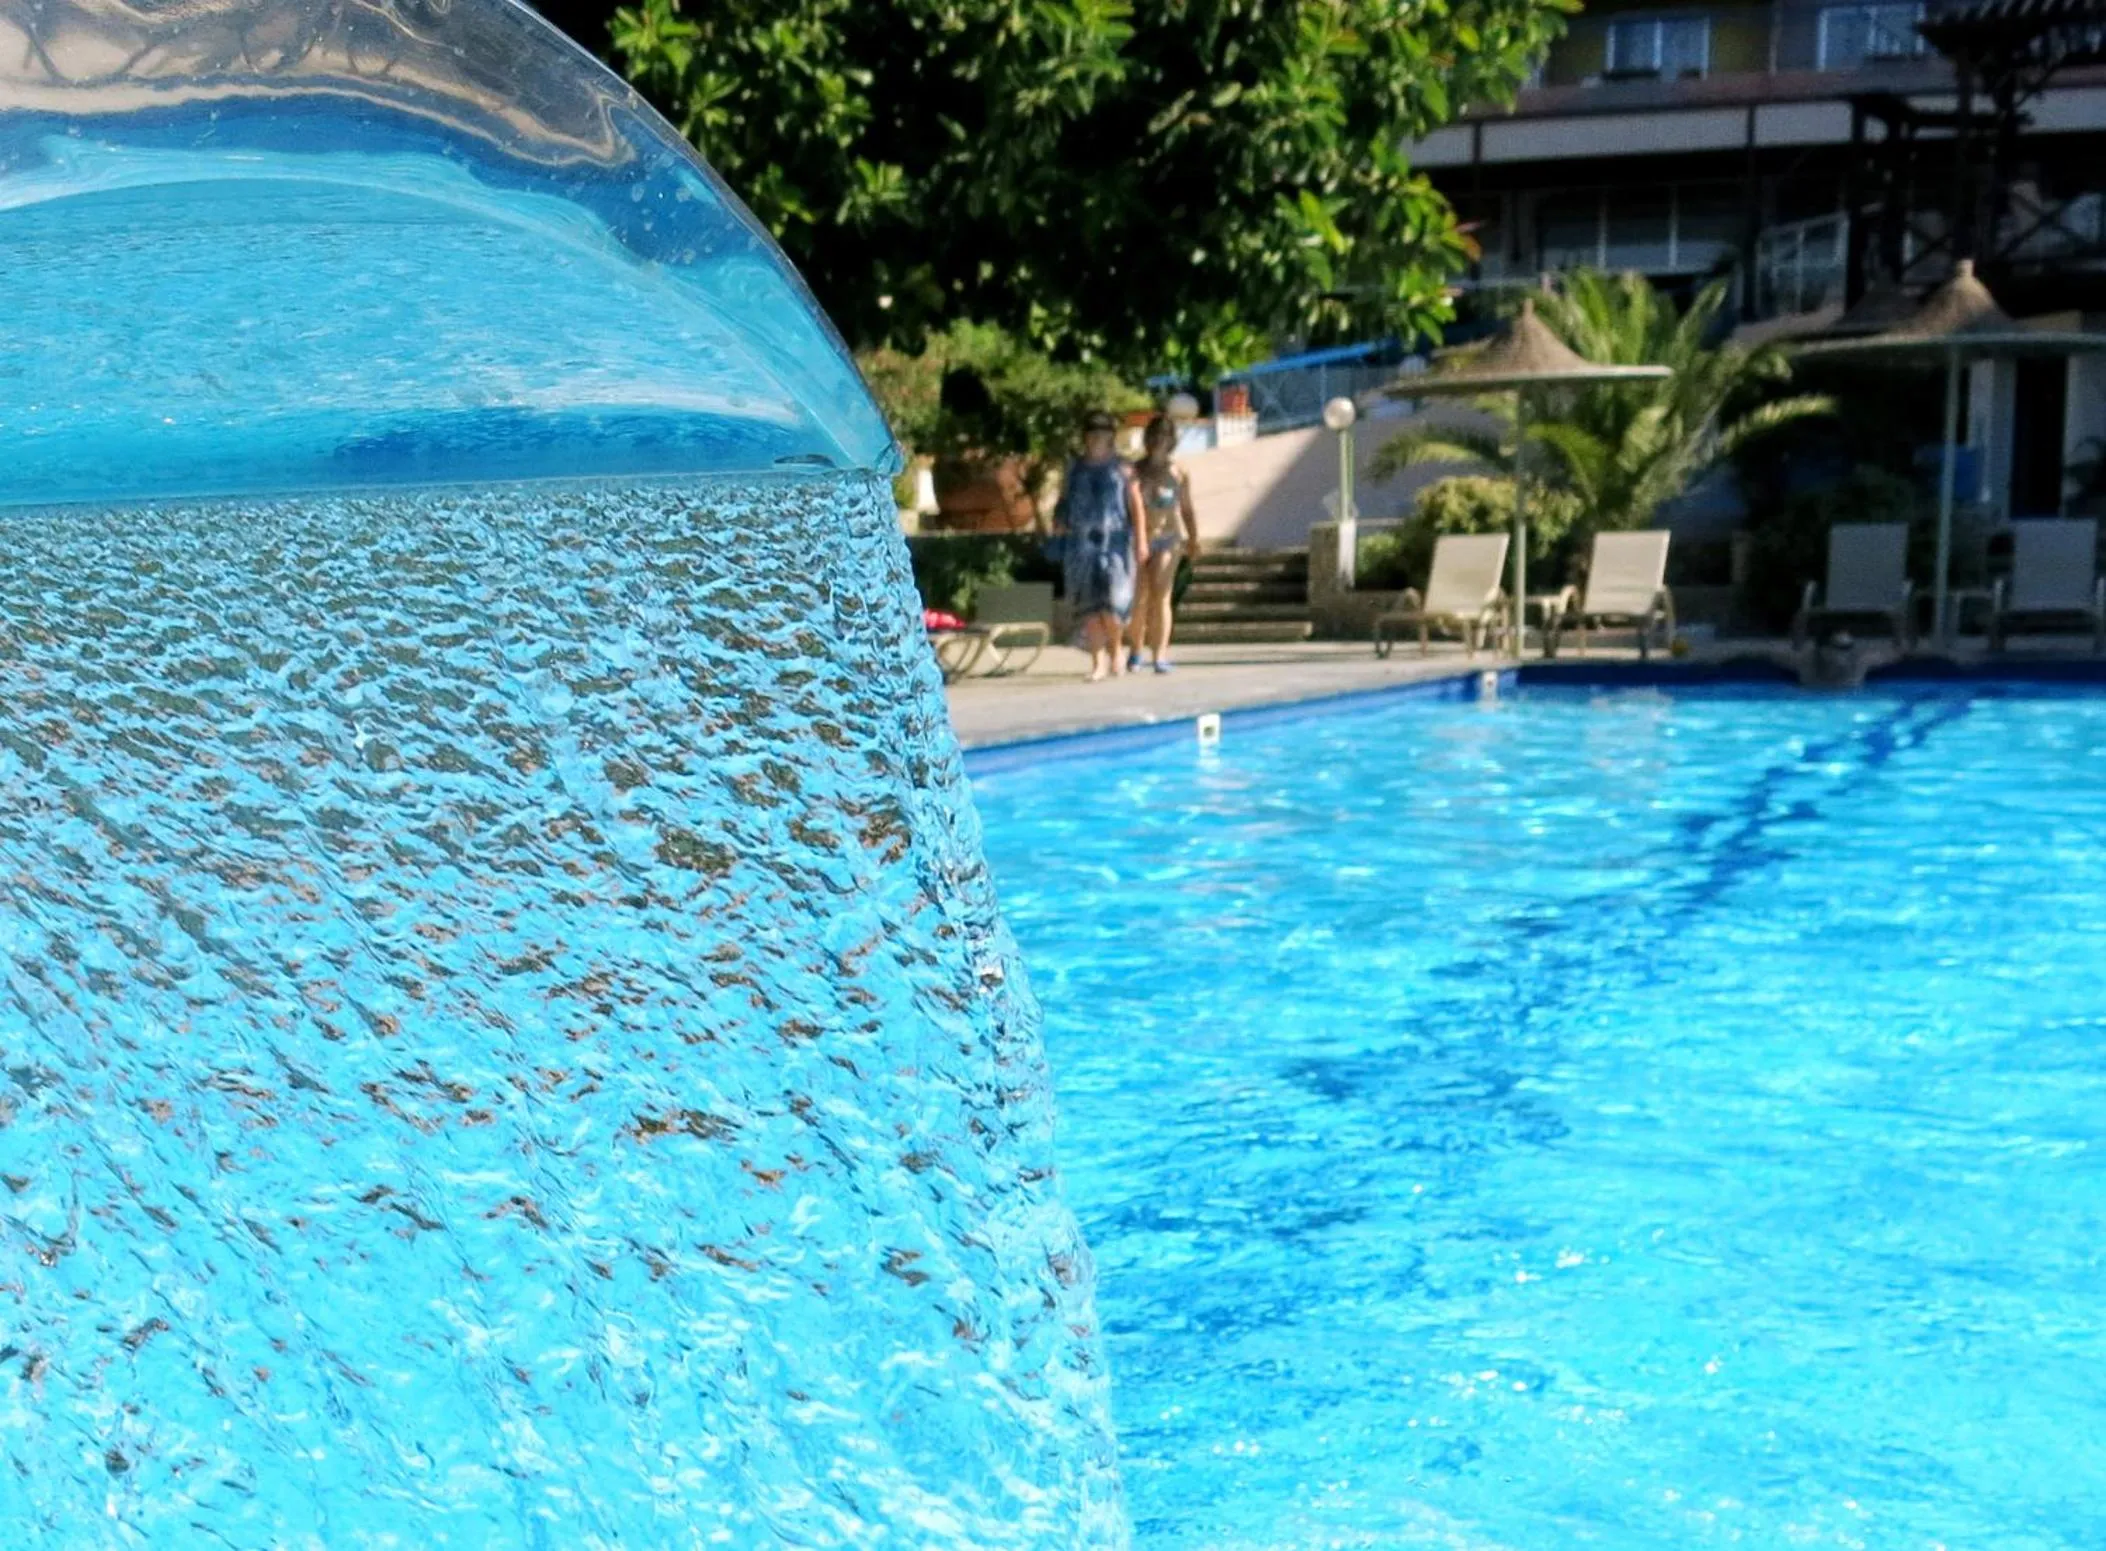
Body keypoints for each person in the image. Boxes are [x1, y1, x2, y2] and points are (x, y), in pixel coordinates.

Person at [1054, 410, 1145, 681]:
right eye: (1092, 432)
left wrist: (1141, 540)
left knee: (1114, 605)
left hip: (1115, 542)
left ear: (1111, 436)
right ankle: (1098, 661)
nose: (1097, 437)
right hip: (1080, 543)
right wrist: (1058, 520)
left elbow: (1136, 505)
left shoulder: (1123, 468)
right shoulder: (1074, 468)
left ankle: (1116, 649)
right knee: (1089, 606)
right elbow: (1063, 499)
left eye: (1103, 432)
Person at [1127, 413, 1201, 672]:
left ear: (1172, 440)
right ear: (1148, 438)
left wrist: (1194, 538)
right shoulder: (1135, 471)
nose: (1160, 439)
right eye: (1156, 434)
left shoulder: (1179, 473)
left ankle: (1160, 654)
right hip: (1139, 539)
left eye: (1166, 434)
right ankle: (1136, 650)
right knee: (1139, 598)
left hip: (1169, 538)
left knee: (1161, 595)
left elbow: (1187, 509)